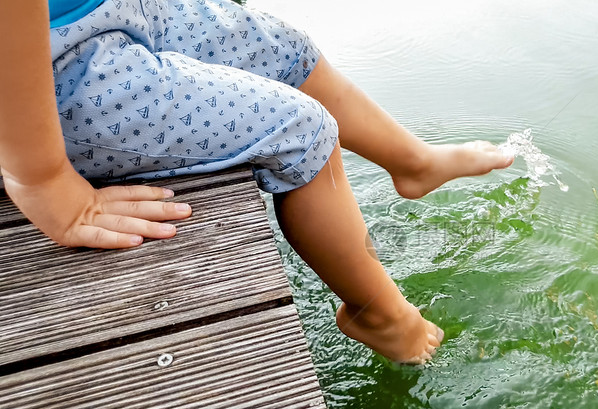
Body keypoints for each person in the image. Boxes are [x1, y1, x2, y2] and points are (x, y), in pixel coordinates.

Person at [0, 0, 513, 364]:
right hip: (43, 68)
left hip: (108, 8)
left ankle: (412, 163)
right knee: (303, 130)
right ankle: (376, 313)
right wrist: (44, 181)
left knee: (281, 48)